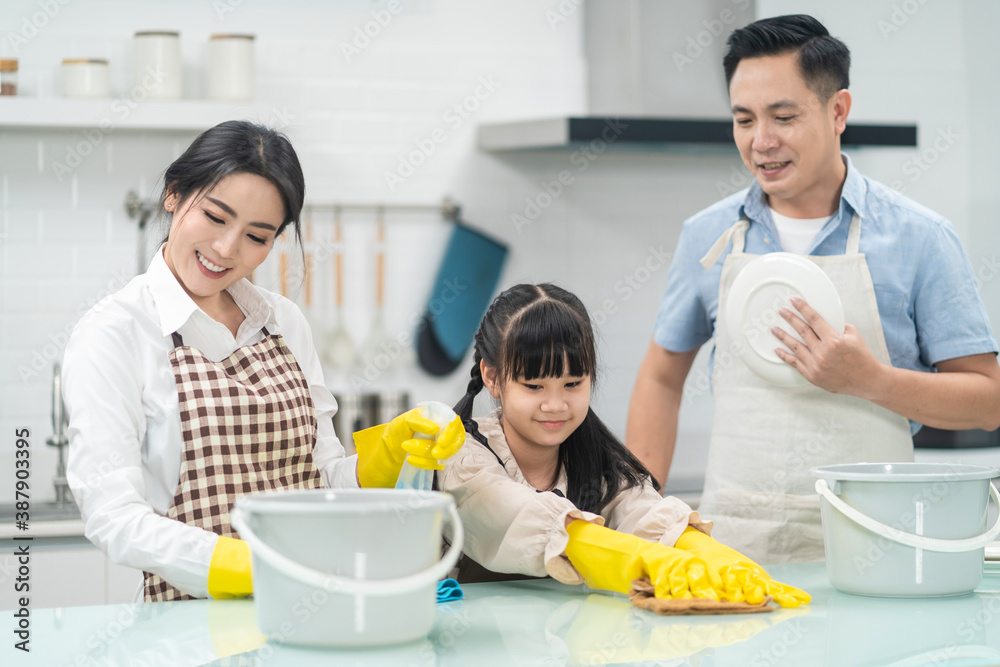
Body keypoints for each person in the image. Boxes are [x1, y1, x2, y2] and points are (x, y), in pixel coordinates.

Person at [627, 15, 1000, 564]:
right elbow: (661, 377)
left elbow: (988, 401)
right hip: (738, 548)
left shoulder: (920, 238)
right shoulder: (708, 236)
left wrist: (872, 381)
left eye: (783, 117)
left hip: (877, 546)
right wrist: (642, 514)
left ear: (838, 111)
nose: (762, 142)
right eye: (743, 119)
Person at [63, 120, 464, 603]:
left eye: (257, 236)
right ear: (173, 194)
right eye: (214, 217)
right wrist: (251, 567)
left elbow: (318, 478)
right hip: (191, 626)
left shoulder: (284, 322)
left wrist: (387, 458)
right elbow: (114, 517)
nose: (226, 248)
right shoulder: (117, 333)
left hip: (311, 607)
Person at [439, 283, 810, 607]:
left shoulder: (592, 460)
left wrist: (709, 553)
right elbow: (512, 514)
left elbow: (641, 512)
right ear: (492, 377)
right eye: (534, 387)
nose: (555, 405)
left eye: (572, 384)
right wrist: (644, 561)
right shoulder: (463, 457)